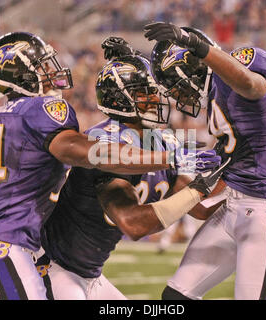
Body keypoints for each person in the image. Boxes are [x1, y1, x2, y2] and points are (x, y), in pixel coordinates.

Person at [0, 32, 221, 300]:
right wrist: (169, 160)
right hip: (15, 248)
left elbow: (198, 206)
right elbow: (87, 155)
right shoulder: (67, 121)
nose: (51, 73)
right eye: (42, 67)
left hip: (42, 254)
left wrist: (233, 174)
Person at [36, 54, 225, 300]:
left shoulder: (159, 140)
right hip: (55, 268)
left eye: (155, 91)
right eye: (145, 92)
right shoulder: (106, 141)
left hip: (89, 275)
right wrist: (197, 189)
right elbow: (133, 224)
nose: (157, 98)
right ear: (120, 99)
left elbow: (200, 208)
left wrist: (234, 175)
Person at [141, 22, 266, 300]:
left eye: (175, 86)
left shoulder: (243, 68)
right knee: (176, 297)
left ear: (191, 67)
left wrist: (199, 47)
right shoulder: (214, 91)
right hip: (231, 205)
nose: (177, 96)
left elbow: (251, 84)